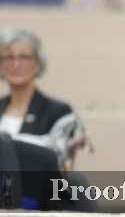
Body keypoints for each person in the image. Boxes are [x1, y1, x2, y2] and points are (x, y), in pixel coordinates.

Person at [0, 28, 88, 168]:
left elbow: (62, 166)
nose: (16, 64)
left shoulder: (59, 112)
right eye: (9, 57)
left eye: (24, 57)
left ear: (38, 63)